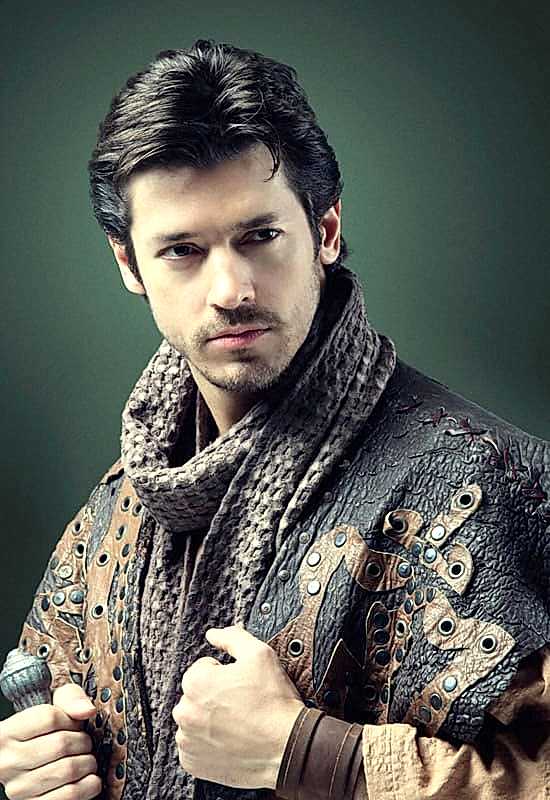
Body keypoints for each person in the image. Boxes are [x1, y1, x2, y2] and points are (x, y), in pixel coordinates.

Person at [0, 39, 548, 800]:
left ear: (325, 232)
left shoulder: (492, 483)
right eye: (182, 250)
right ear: (129, 265)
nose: (231, 289)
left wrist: (314, 755)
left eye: (259, 237)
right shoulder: (111, 518)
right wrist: (35, 769)